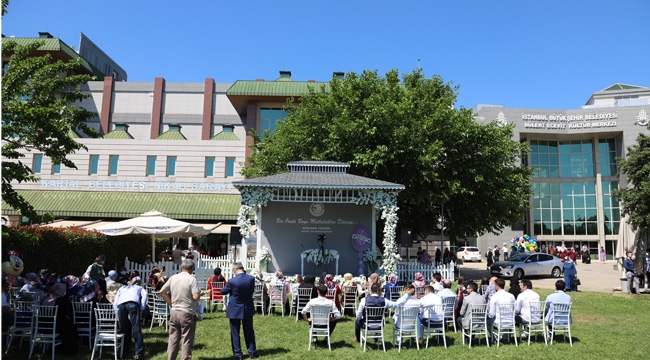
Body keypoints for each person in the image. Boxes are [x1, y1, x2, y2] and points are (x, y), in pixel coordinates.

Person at [160, 259, 201, 360]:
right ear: (192, 268)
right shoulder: (192, 279)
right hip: (187, 312)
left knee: (173, 339)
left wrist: (171, 304)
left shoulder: (174, 277)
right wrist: (199, 293)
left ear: (181, 267)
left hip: (174, 312)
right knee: (186, 340)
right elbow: (195, 297)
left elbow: (162, 291)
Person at [221, 262, 258, 360]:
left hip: (235, 308)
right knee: (249, 330)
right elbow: (252, 290)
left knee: (235, 332)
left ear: (235, 270)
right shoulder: (251, 278)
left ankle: (238, 354)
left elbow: (223, 291)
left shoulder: (232, 281)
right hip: (247, 307)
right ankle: (252, 352)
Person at [114, 275, 148, 360]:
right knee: (136, 328)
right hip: (133, 303)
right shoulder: (139, 288)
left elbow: (115, 303)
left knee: (123, 328)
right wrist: (142, 307)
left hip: (121, 305)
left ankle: (124, 350)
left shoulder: (123, 288)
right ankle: (139, 353)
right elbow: (145, 294)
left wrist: (118, 317)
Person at [40, 283, 78, 355]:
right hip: (54, 326)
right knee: (71, 328)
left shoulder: (46, 298)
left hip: (41, 326)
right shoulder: (62, 300)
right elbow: (67, 314)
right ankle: (68, 350)